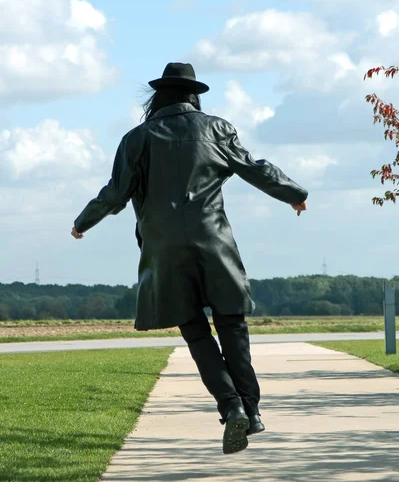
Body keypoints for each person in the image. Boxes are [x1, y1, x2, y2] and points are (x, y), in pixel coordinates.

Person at [71, 62, 308, 455]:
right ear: (193, 95)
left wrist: (83, 222)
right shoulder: (216, 129)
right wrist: (293, 193)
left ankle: (231, 406)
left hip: (164, 249)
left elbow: (116, 192)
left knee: (196, 331)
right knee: (232, 325)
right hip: (213, 242)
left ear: (159, 97)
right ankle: (252, 410)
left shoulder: (137, 138)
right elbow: (254, 168)